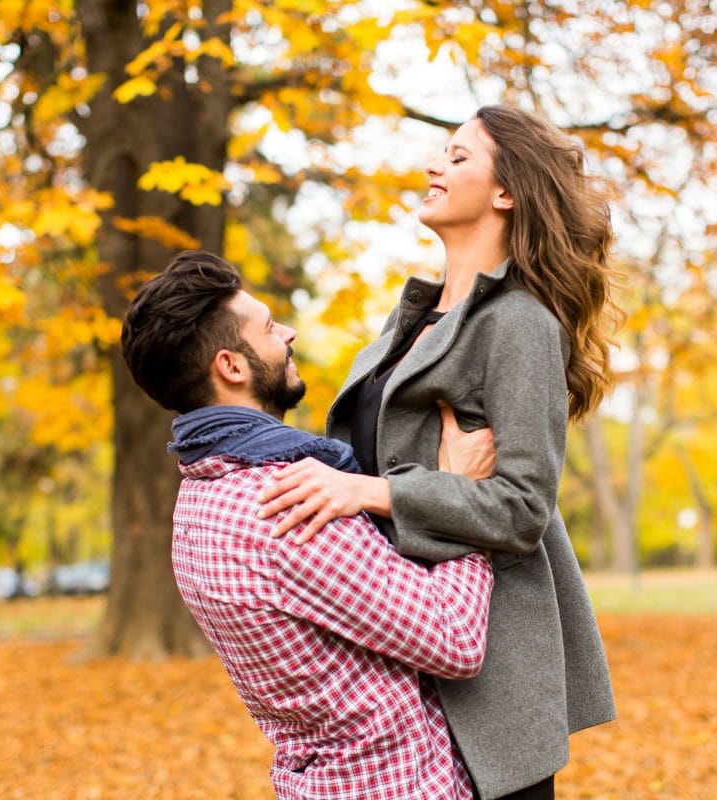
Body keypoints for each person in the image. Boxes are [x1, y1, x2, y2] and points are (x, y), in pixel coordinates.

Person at [258, 104, 622, 800]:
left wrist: (376, 493)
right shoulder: (407, 322)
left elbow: (522, 508)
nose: (433, 166)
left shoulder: (518, 323)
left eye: (458, 158)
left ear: (504, 192)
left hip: (488, 683)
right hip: (398, 658)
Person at [120, 249, 500, 799]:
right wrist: (456, 492)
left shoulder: (198, 496)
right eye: (271, 327)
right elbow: (454, 639)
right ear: (232, 366)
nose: (290, 333)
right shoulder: (287, 505)